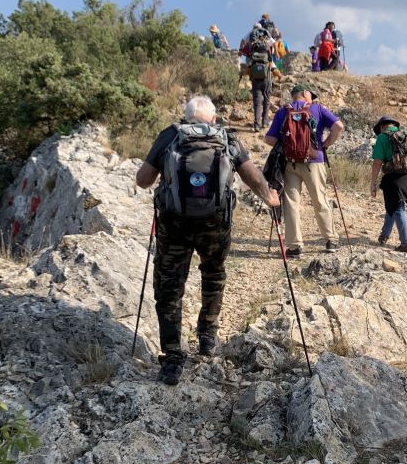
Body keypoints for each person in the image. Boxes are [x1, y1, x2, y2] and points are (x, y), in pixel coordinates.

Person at [135, 95, 280, 385]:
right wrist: (269, 196)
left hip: (174, 225)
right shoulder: (227, 137)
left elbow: (143, 180)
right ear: (213, 119)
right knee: (213, 275)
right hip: (215, 224)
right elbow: (252, 175)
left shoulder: (170, 135)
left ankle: (173, 356)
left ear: (186, 116)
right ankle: (207, 338)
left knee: (169, 285)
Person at [263, 84, 344, 257]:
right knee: (320, 199)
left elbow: (269, 139)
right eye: (311, 95)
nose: (312, 99)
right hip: (314, 161)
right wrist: (325, 144)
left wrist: (286, 144)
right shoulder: (318, 109)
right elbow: (339, 126)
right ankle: (331, 240)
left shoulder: (283, 112)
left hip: (290, 163)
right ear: (305, 94)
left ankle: (294, 246)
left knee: (291, 203)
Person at [369, 115, 407, 253]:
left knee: (398, 208)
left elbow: (377, 162)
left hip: (393, 179)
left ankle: (405, 243)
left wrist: (373, 183)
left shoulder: (382, 138)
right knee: (392, 206)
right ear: (393, 124)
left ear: (381, 127)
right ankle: (384, 235)